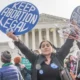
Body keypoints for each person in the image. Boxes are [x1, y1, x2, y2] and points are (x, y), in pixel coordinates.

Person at [7, 32, 74, 80]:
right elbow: (25, 50)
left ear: (52, 48)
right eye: (43, 46)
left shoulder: (58, 57)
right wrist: (15, 39)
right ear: (40, 49)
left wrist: (73, 32)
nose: (45, 47)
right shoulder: (35, 58)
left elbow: (66, 46)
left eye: (48, 45)